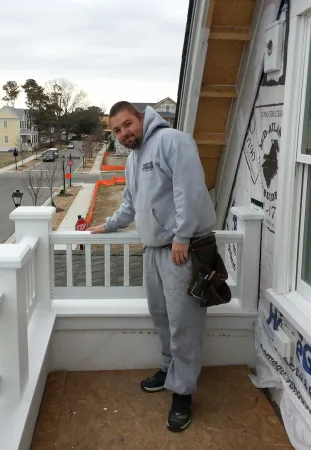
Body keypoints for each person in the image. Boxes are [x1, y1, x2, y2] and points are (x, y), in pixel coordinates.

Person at [88, 101, 216, 432]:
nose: (123, 133)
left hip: (181, 250)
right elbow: (130, 203)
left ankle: (183, 391)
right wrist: (110, 225)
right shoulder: (133, 159)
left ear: (142, 119)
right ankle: (169, 369)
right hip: (154, 250)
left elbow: (188, 192)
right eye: (116, 130)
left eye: (127, 125)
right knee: (161, 316)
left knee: (184, 323)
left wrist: (182, 237)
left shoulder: (173, 141)